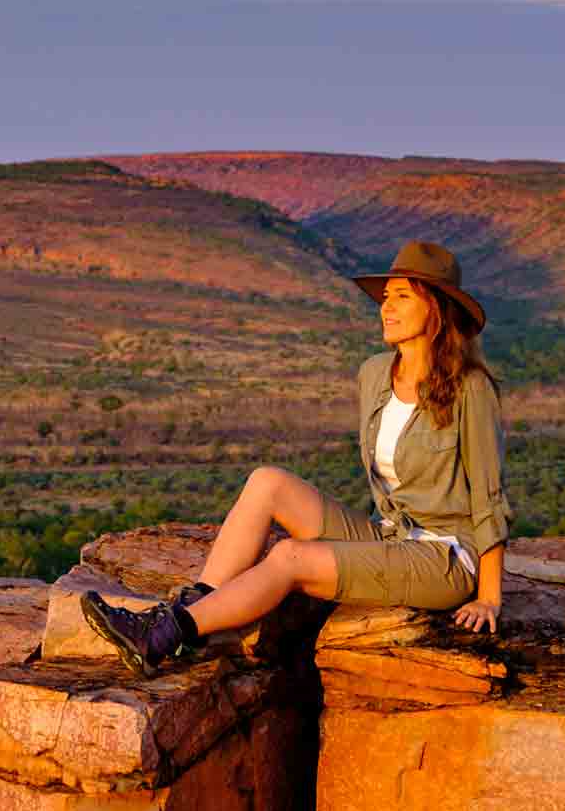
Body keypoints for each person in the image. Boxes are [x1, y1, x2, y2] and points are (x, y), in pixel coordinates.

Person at [81, 239, 510, 675]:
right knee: (267, 481)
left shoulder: (470, 388)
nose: (386, 307)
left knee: (289, 557)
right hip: (390, 534)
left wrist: (489, 597)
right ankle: (199, 607)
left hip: (443, 558)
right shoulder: (375, 374)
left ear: (436, 309)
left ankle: (161, 637)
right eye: (385, 297)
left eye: (402, 296)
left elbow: (489, 497)